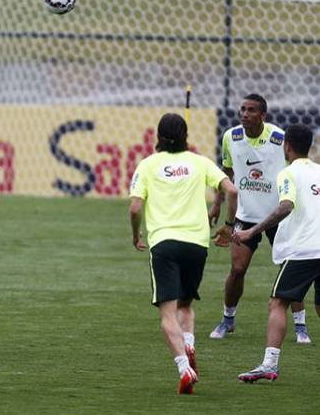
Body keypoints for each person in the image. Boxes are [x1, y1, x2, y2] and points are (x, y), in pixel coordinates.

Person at [129, 113, 237, 395]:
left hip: (165, 243)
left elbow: (135, 207)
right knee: (186, 305)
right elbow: (231, 189)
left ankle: (183, 368)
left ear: (158, 136)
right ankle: (189, 343)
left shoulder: (148, 164)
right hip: (196, 245)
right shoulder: (199, 162)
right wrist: (227, 225)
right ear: (186, 134)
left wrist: (134, 234)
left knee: (167, 313)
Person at [209, 94, 311, 343]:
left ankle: (300, 326)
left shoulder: (278, 138)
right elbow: (228, 172)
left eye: (251, 110)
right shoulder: (230, 137)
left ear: (262, 115)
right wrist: (217, 203)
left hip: (278, 216)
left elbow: (294, 168)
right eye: (242, 109)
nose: (244, 114)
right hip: (246, 215)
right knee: (237, 269)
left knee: (291, 268)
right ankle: (227, 319)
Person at [234, 124, 320, 382]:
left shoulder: (288, 174)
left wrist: (252, 231)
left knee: (278, 302)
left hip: (304, 250)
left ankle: (269, 364)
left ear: (287, 146)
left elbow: (285, 206)